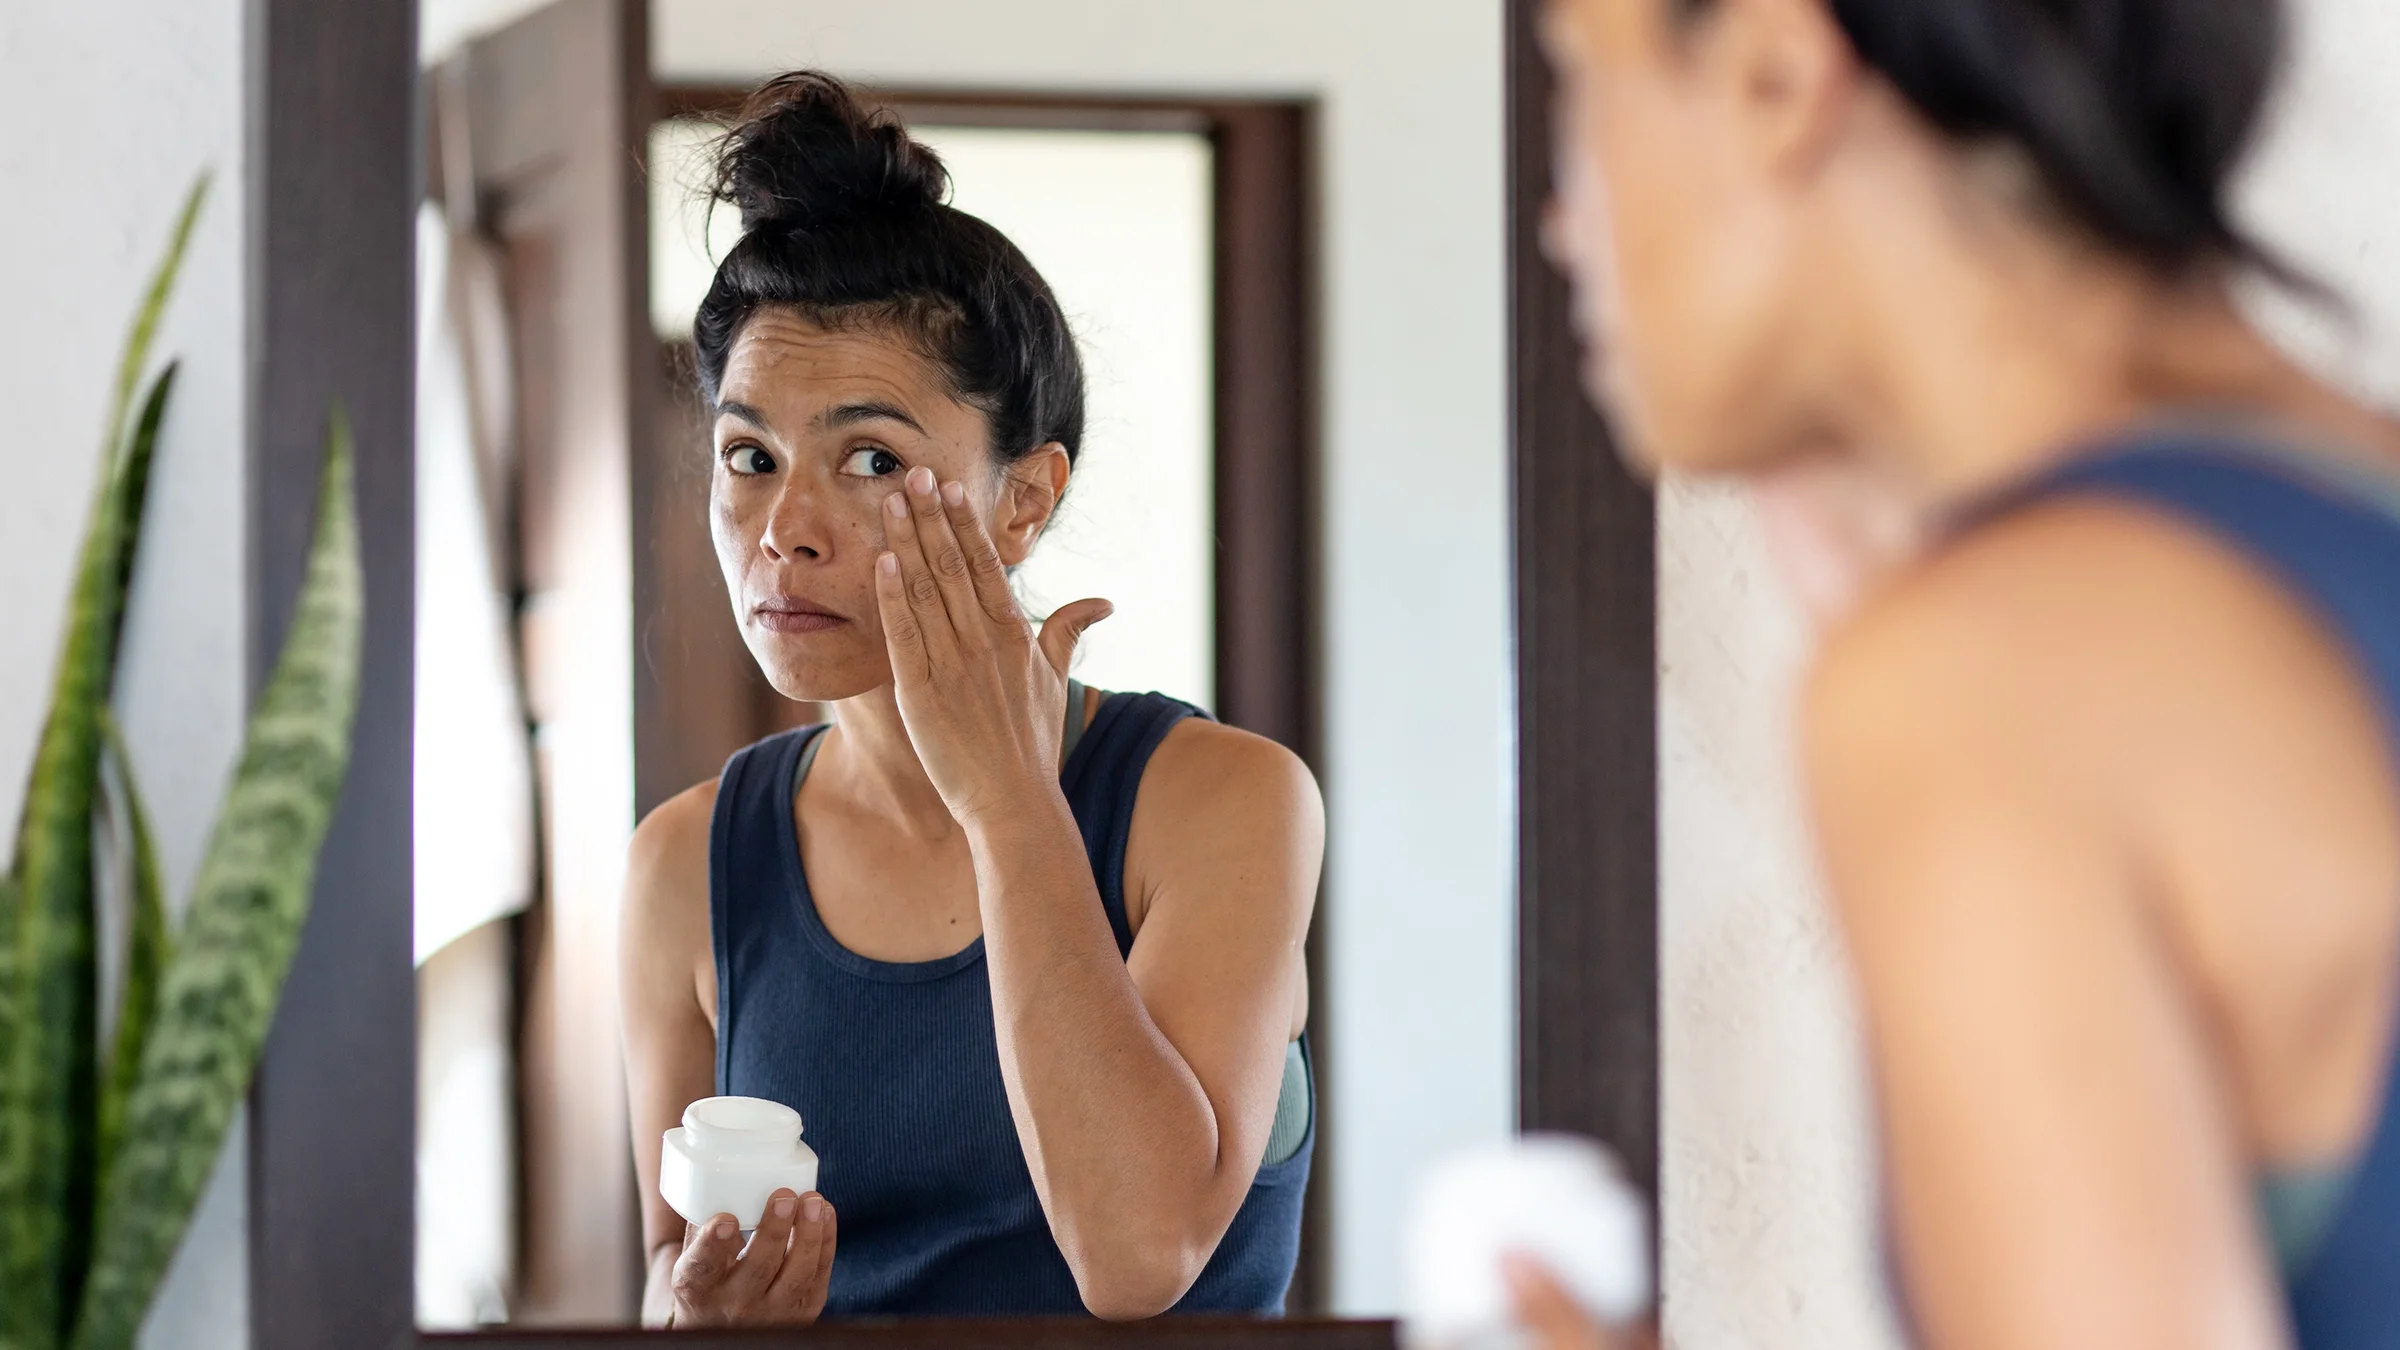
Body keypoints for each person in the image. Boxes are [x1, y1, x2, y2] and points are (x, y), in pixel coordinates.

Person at [1519, 0, 2400, 1347]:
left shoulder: (1994, 670)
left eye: (1585, 88)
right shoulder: (2333, 503)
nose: (1562, 224)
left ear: (1773, 72)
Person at [618, 72, 1322, 1326]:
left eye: (873, 458)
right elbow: (668, 1281)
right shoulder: (686, 864)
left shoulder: (1221, 803)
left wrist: (1005, 799)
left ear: (1027, 498)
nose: (786, 527)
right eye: (750, 457)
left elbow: (1138, 1254)